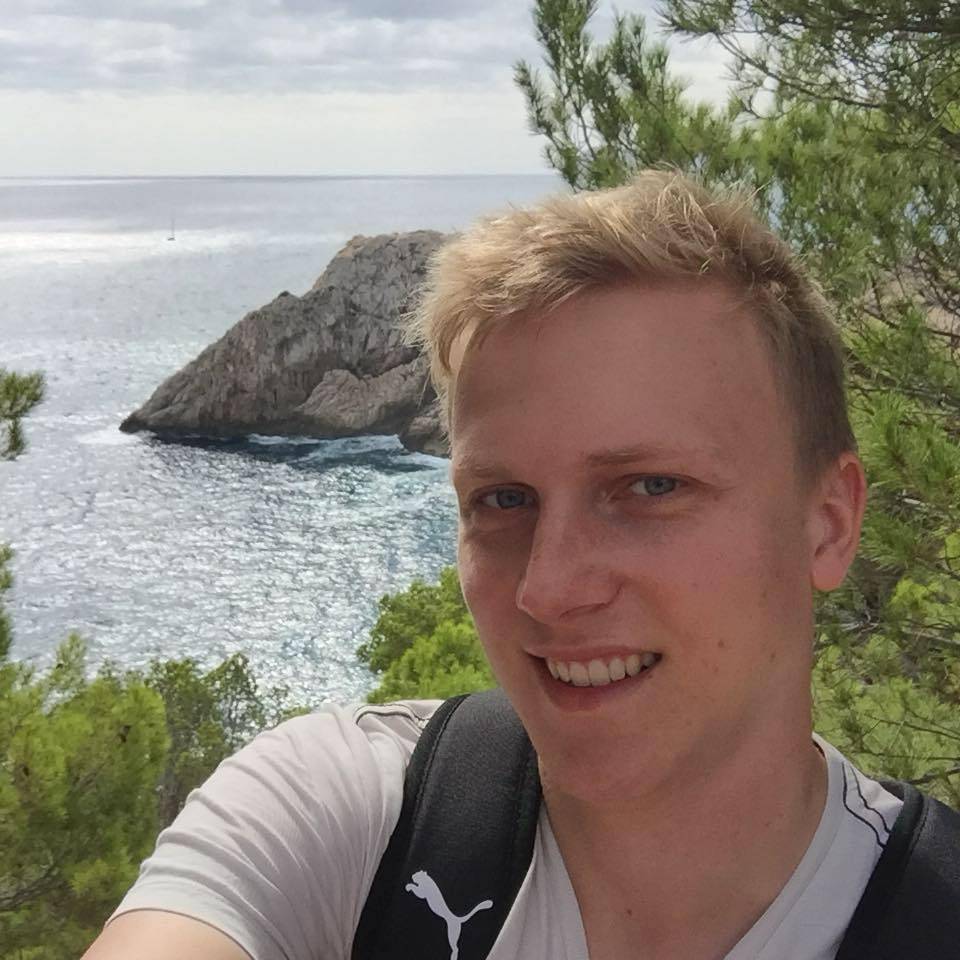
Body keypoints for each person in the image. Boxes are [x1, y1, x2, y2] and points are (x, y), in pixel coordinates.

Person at [83, 171, 946, 960]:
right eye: (503, 499)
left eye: (650, 487)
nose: (548, 588)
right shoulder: (347, 819)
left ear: (828, 525)